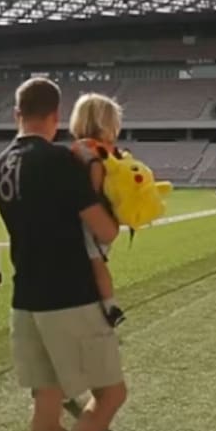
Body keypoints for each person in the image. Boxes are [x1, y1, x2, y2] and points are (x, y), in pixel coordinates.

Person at [0, 78, 123, 431]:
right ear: (55, 114)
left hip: (25, 295)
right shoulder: (60, 160)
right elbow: (104, 231)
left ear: (17, 112)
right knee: (111, 394)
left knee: (45, 401)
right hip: (69, 296)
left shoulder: (1, 163)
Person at [68, 92, 125, 327]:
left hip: (92, 220)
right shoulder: (101, 151)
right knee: (97, 261)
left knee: (96, 261)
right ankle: (108, 303)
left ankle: (109, 303)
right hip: (101, 218)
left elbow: (87, 193)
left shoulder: (83, 151)